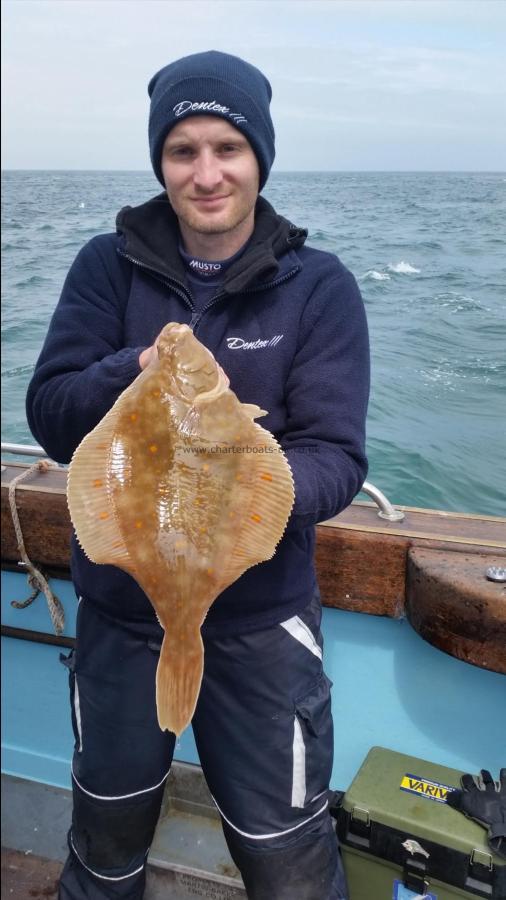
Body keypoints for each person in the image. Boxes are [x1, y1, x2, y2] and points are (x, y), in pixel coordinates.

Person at [26, 50, 370, 900]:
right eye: (183, 151)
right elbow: (54, 414)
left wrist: (245, 480)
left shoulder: (319, 286)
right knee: (104, 837)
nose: (207, 173)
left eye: (228, 148)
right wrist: (133, 373)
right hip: (121, 619)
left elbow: (337, 455)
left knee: (286, 855)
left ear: (260, 157)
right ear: (160, 163)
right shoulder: (105, 268)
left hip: (261, 624)